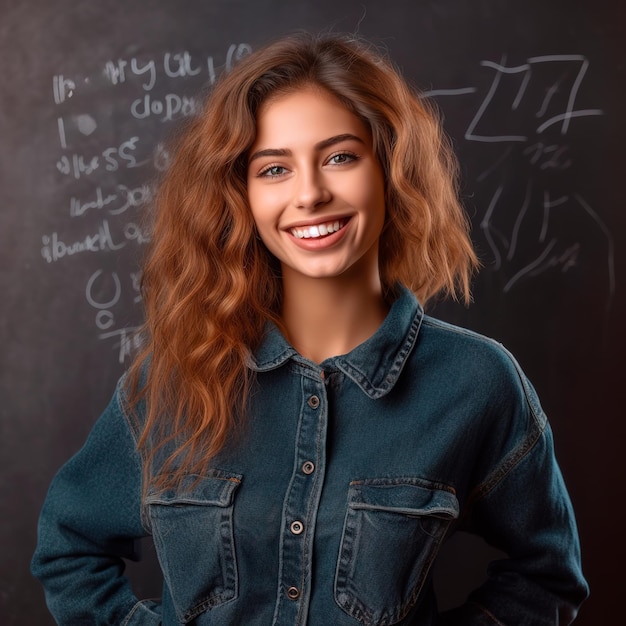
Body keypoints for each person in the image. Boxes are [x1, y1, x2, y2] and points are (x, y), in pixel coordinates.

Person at [32, 32, 588, 625]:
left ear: (391, 169)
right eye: (274, 169)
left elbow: (545, 574)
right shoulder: (173, 381)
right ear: (239, 195)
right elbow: (69, 548)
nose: (310, 194)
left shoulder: (478, 383)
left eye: (340, 157)